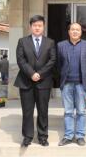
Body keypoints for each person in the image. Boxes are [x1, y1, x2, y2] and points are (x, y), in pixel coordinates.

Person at [14, 15, 57, 147]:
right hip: (26, 81)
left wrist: (40, 74)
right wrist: (32, 73)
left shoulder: (50, 42)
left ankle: (43, 136)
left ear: (43, 27)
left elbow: (52, 60)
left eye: (40, 25)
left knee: (43, 111)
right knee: (27, 111)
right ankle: (27, 136)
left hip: (44, 82)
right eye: (35, 25)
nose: (37, 28)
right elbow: (21, 60)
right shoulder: (22, 41)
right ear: (30, 27)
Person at [56, 23, 86, 147]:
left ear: (81, 32)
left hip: (81, 84)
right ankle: (68, 136)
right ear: (69, 31)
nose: (75, 31)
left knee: (81, 111)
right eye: (73, 29)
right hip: (67, 84)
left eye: (77, 30)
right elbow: (58, 65)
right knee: (68, 111)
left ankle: (80, 136)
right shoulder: (61, 45)